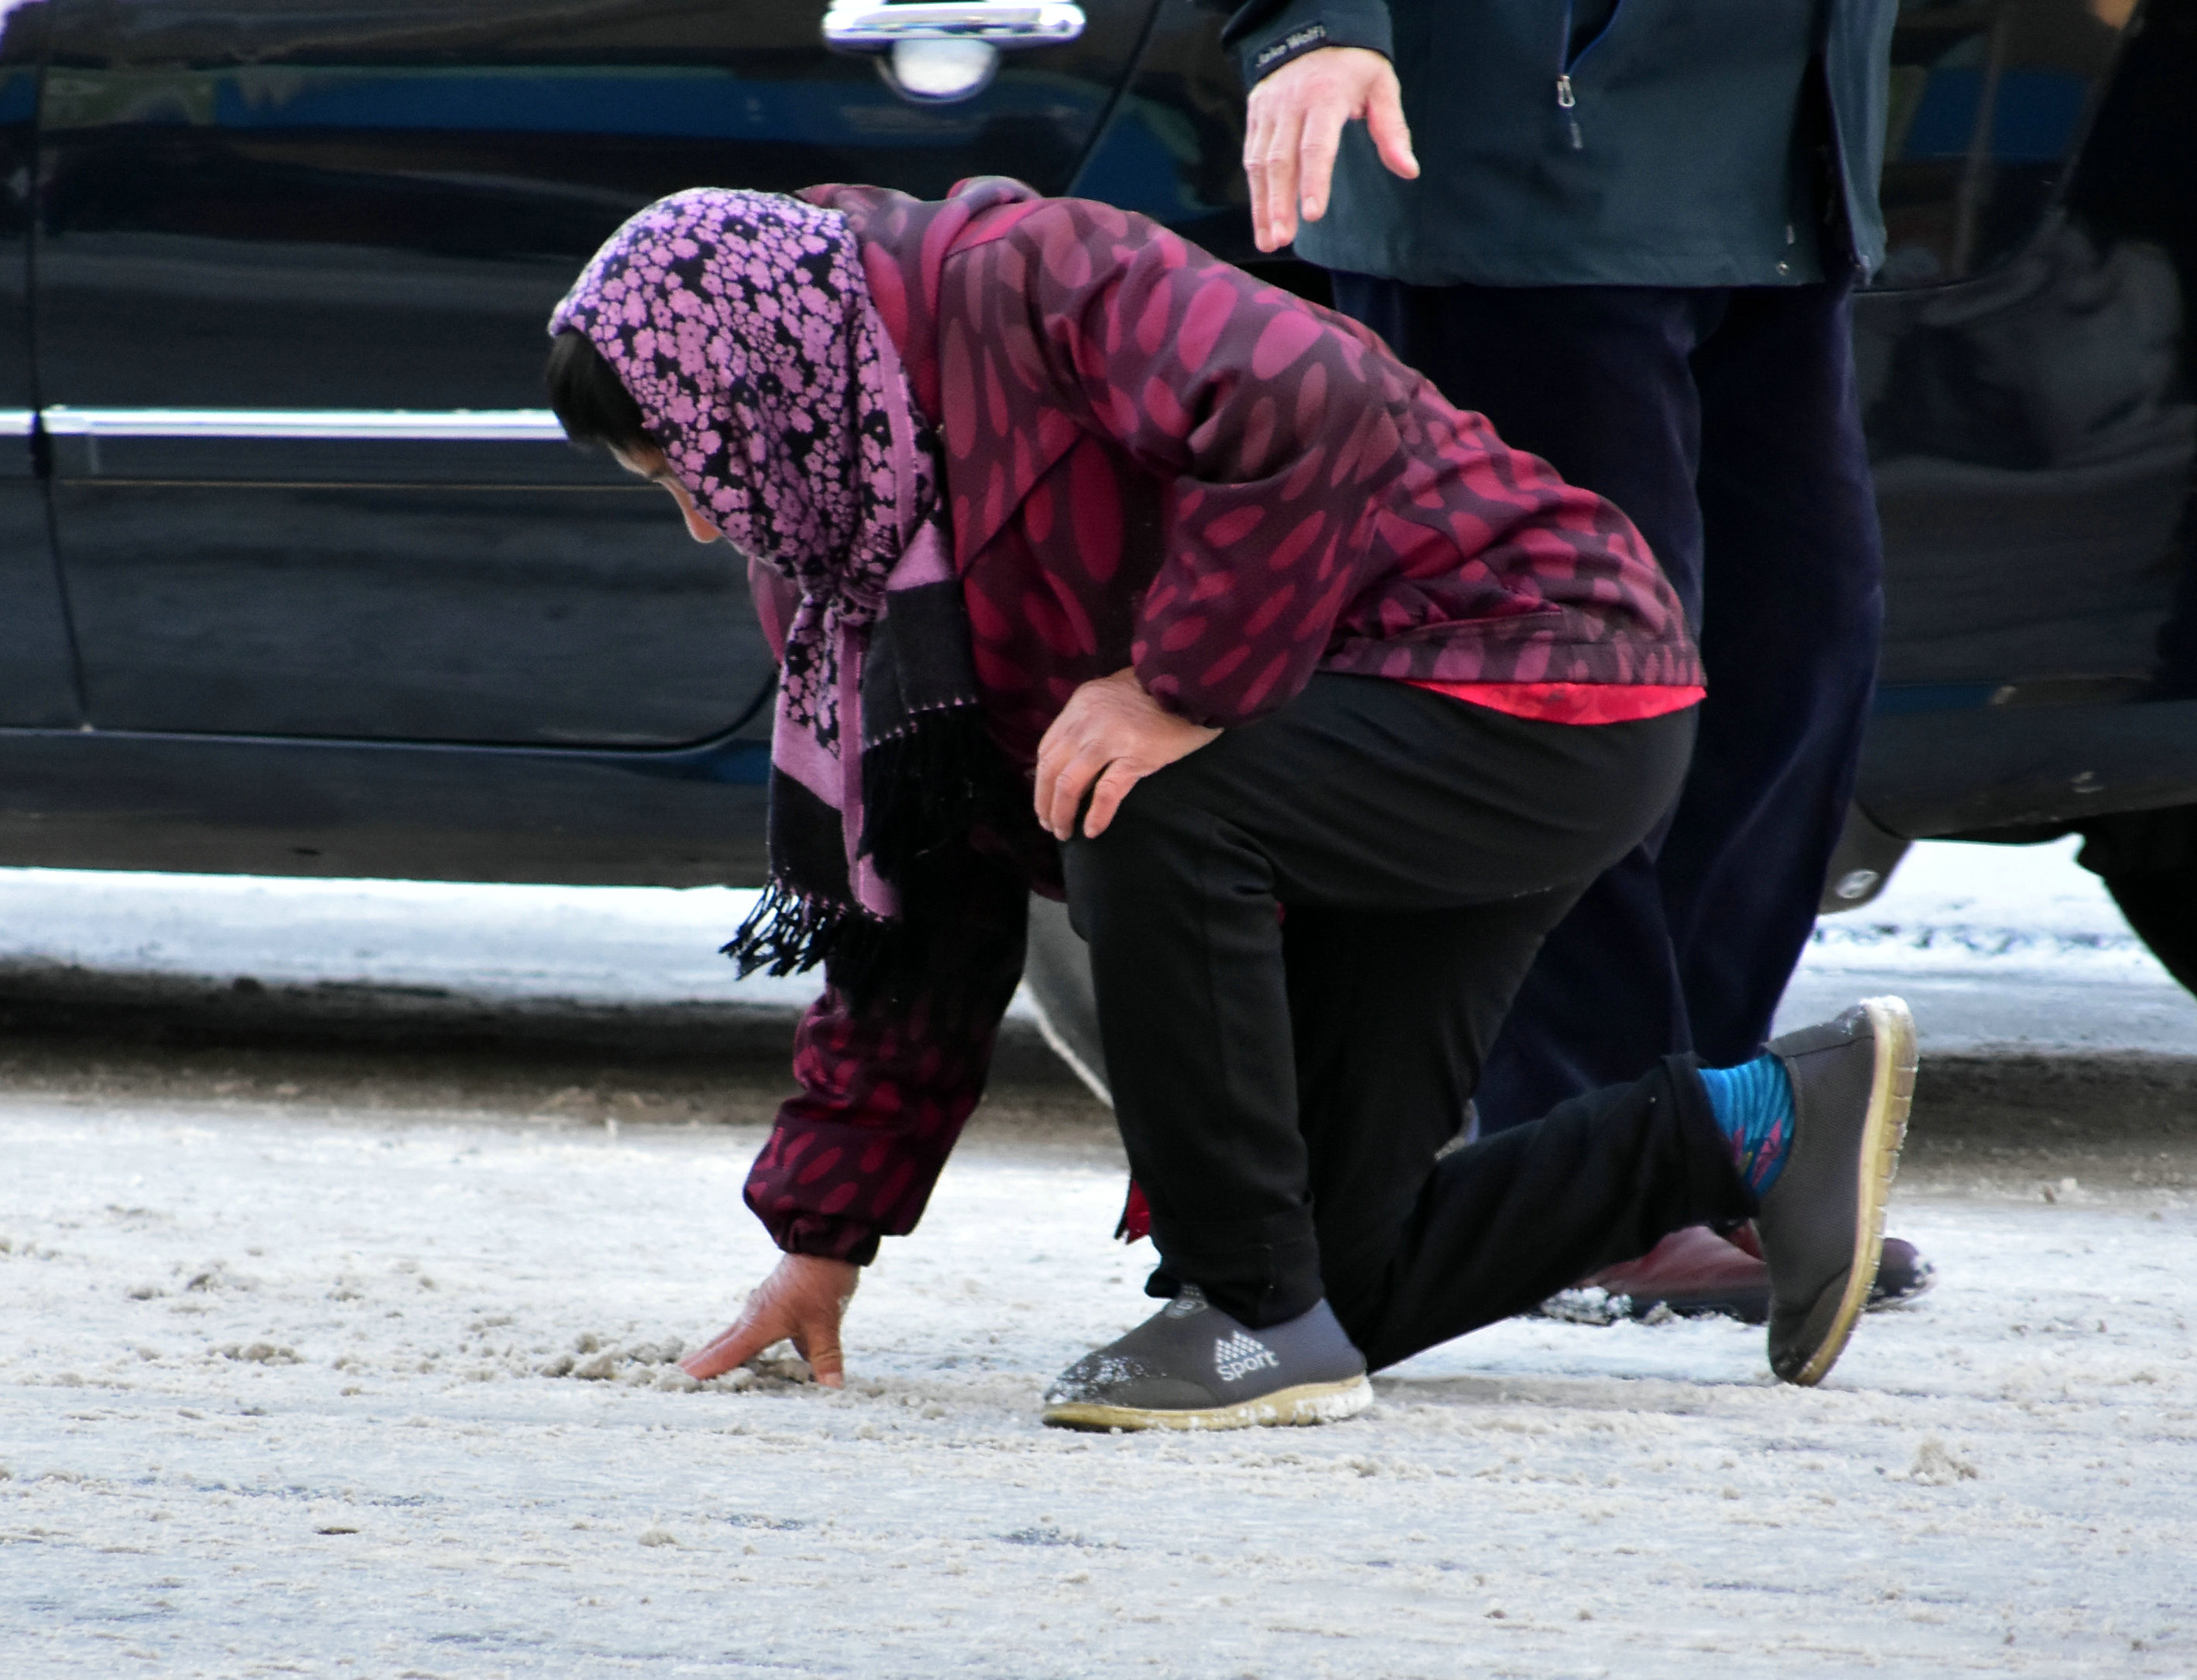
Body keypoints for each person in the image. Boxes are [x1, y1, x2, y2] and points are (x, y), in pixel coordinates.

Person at [544, 178, 1918, 1429]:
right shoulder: (837, 545)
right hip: (1354, 747)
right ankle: (1751, 1124)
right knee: (1341, 1283)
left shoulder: (1034, 277)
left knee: (1134, 793)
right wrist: (822, 1234)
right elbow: (924, 895)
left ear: (759, 382)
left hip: (1538, 671)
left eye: (688, 468)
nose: (704, 521)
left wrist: (1176, 685)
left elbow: (1309, 404)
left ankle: (1244, 1319)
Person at [1216, 0, 1931, 1313]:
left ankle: (1698, 1139)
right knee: (1569, 684)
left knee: (1794, 665)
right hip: (1523, 158)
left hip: (1785, 155)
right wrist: (1310, 19)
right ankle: (1592, 1174)